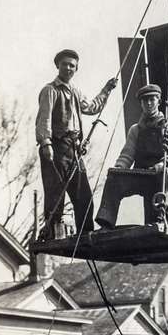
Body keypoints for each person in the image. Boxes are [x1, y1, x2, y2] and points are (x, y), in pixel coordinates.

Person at [36, 48, 117, 238]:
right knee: (56, 194)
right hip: (55, 147)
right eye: (64, 64)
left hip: (74, 149)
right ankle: (53, 233)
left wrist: (106, 90)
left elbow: (91, 108)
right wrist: (46, 143)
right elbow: (44, 118)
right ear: (58, 66)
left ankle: (85, 235)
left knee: (84, 196)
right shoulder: (50, 90)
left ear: (76, 69)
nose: (68, 68)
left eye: (72, 65)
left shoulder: (75, 92)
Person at [96, 83, 168, 230]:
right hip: (143, 176)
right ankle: (106, 221)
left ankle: (163, 218)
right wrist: (119, 169)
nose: (148, 103)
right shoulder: (135, 130)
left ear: (158, 100)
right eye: (145, 100)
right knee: (114, 178)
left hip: (162, 175)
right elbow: (127, 155)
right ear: (141, 103)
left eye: (152, 99)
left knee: (166, 175)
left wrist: (163, 164)